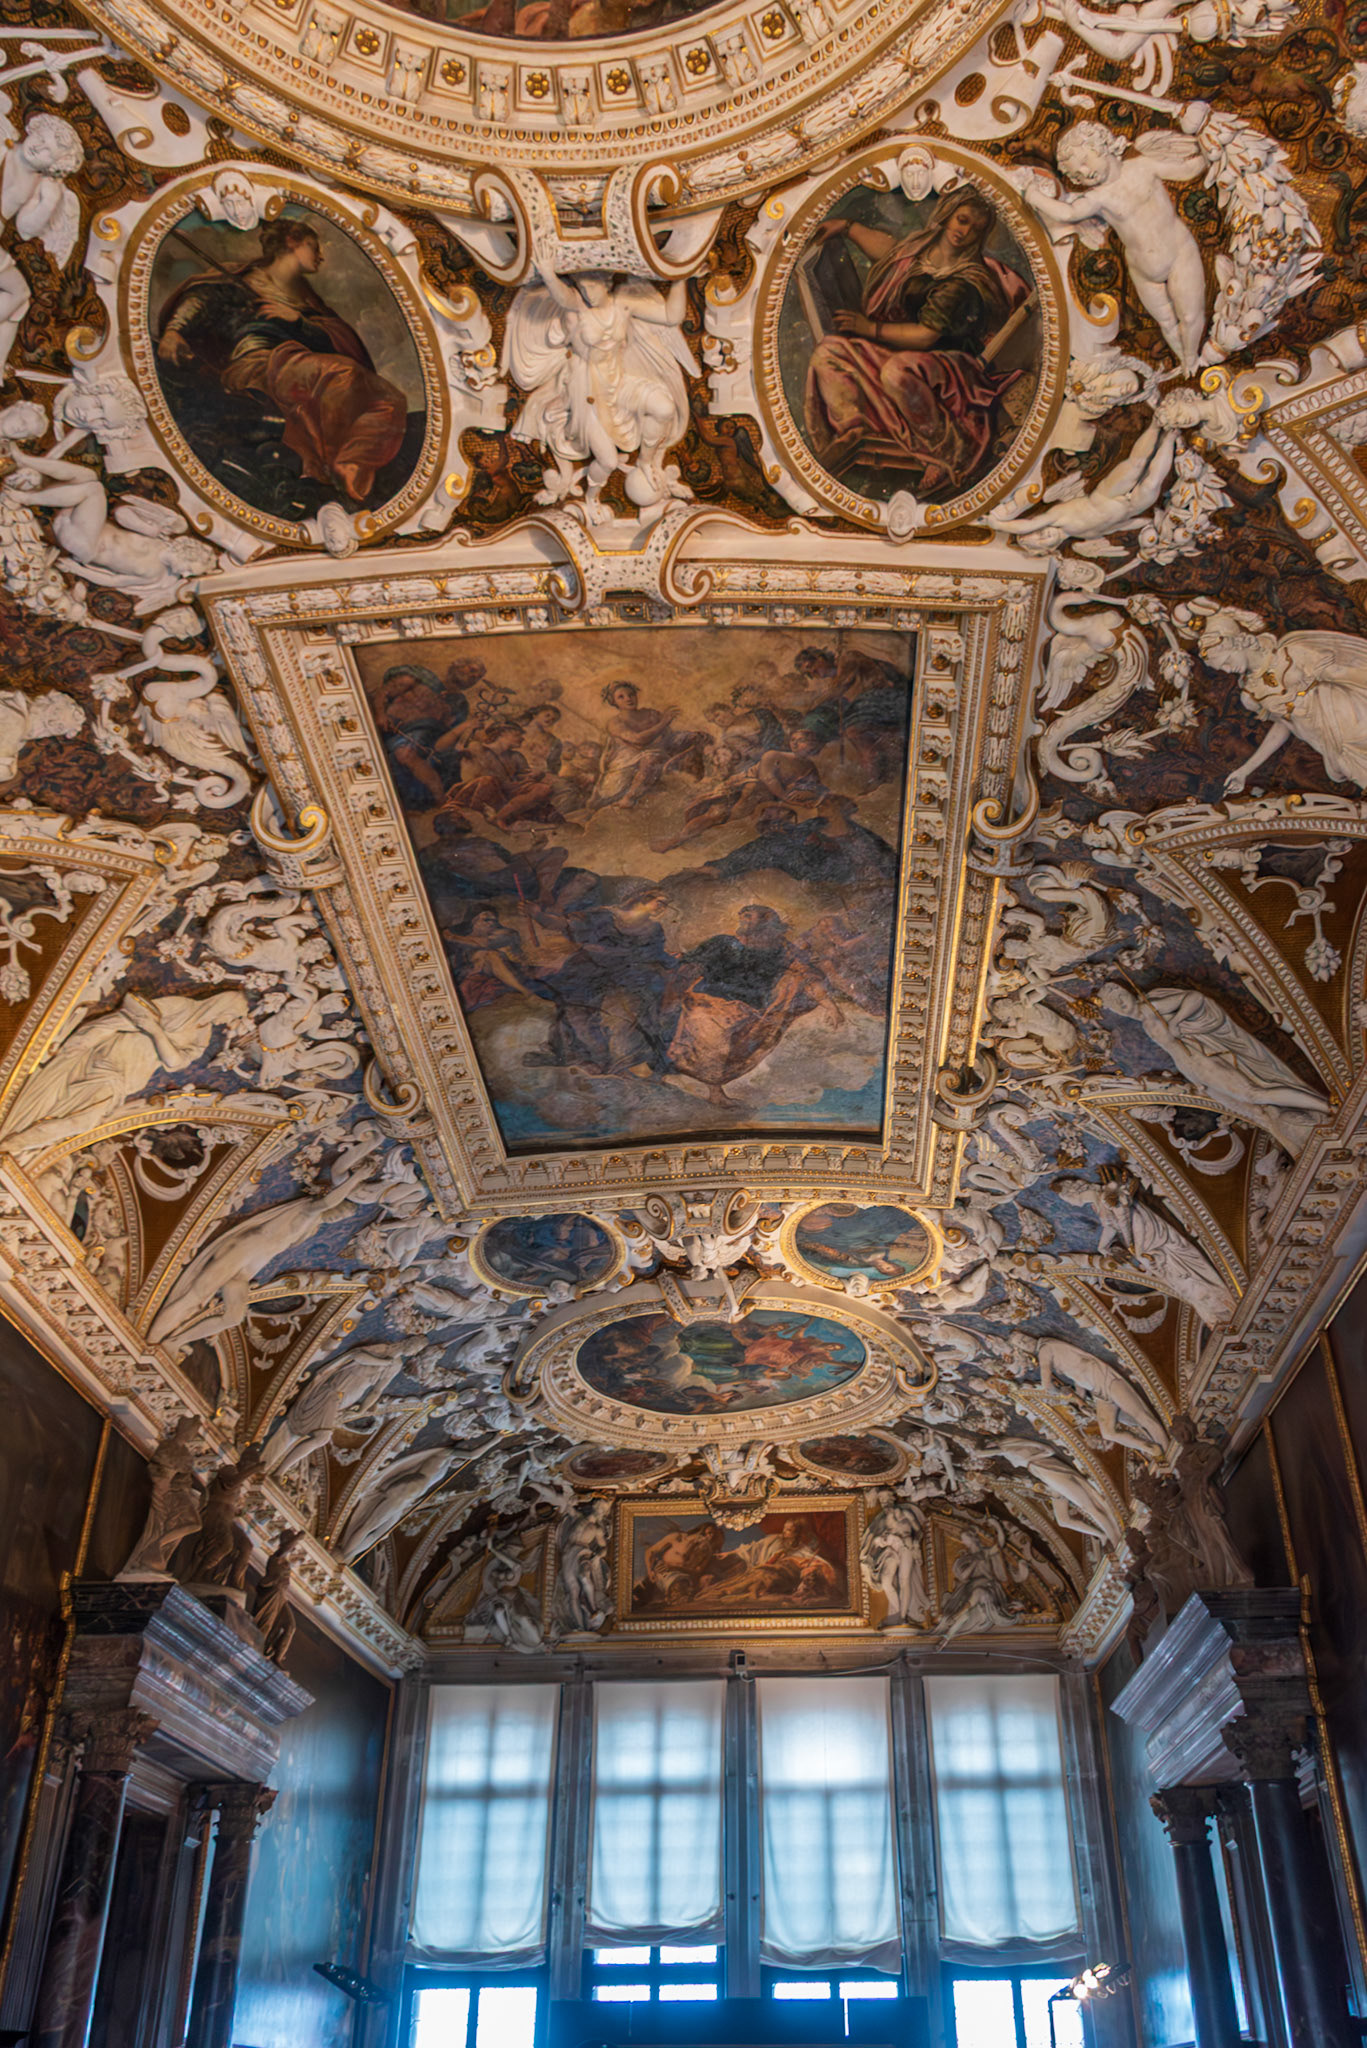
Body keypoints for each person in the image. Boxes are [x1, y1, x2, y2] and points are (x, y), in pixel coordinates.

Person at [156, 216, 407, 505]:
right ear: (292, 242)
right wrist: (174, 331)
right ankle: (328, 464)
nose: (320, 255)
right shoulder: (241, 278)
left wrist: (298, 321)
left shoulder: (308, 300)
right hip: (258, 364)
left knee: (390, 400)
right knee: (345, 374)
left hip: (302, 368)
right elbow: (199, 300)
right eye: (313, 246)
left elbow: (340, 338)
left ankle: (350, 462)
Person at [804, 189, 1031, 492]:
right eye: (962, 220)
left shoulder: (966, 280)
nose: (964, 231)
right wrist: (846, 227)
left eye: (975, 229)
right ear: (947, 215)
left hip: (950, 369)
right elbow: (891, 253)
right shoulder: (921, 251)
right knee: (828, 352)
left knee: (897, 371)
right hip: (905, 357)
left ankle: (943, 451)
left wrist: (869, 328)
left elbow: (926, 336)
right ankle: (853, 429)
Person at [664, 904, 844, 1108]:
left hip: (748, 1008)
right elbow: (689, 962)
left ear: (766, 920)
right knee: (710, 1037)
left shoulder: (781, 949)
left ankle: (715, 1092)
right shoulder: (723, 942)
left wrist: (830, 1006)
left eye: (749, 916)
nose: (743, 920)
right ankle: (691, 1084)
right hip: (705, 1000)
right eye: (742, 916)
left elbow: (807, 974)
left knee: (731, 1048)